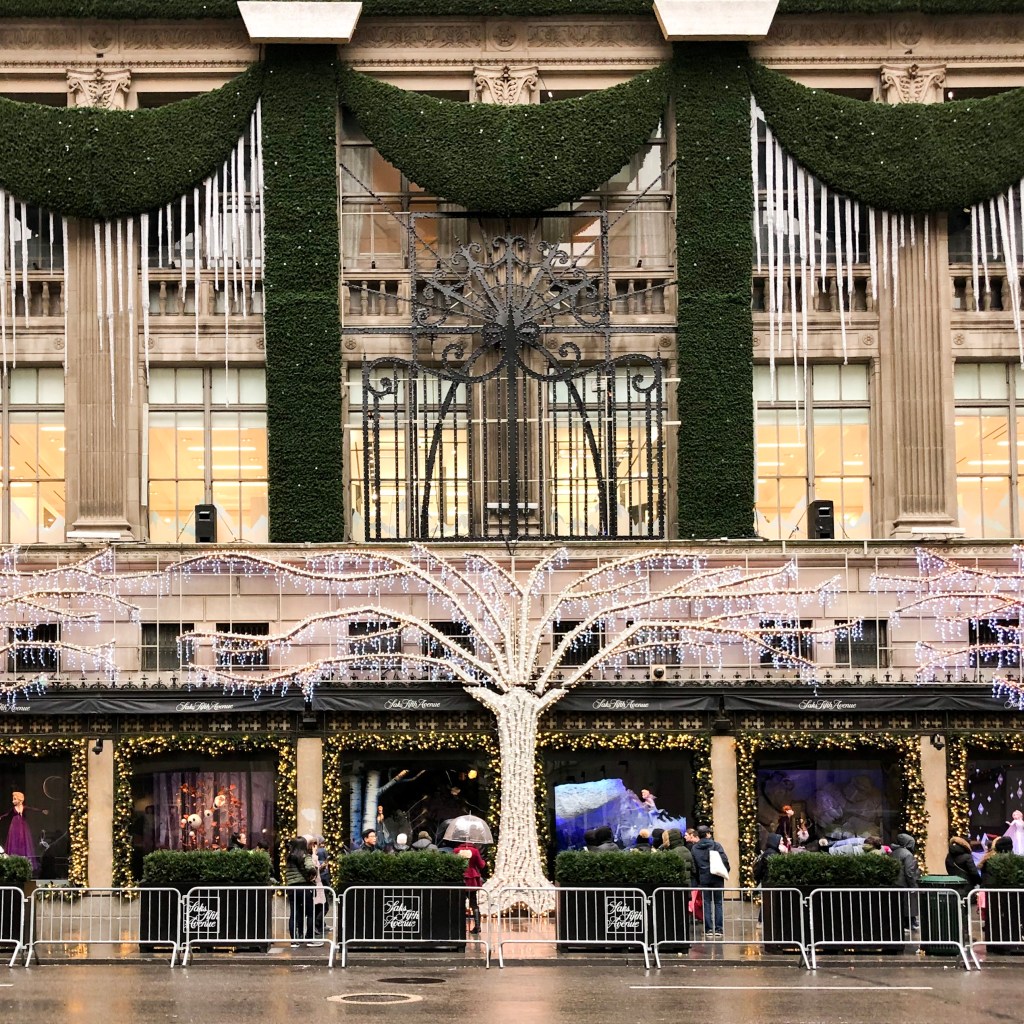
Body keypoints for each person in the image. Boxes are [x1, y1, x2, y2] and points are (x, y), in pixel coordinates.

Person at [691, 824, 730, 937]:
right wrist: (725, 872)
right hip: (717, 877)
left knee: (706, 903)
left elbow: (694, 866)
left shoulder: (694, 848)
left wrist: (699, 877)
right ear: (708, 834)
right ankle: (719, 929)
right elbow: (725, 861)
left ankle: (708, 929)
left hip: (704, 878)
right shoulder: (716, 845)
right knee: (718, 903)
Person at [0, 791, 48, 874]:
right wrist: (1, 817)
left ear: (19, 800)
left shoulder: (24, 807)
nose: (13, 801)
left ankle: (25, 861)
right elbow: (7, 814)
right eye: (13, 799)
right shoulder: (13, 809)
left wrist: (41, 811)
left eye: (14, 799)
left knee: (23, 840)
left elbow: (32, 809)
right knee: (15, 841)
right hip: (14, 826)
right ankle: (13, 862)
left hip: (22, 826)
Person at [284, 836, 319, 946]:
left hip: (292, 888)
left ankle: (294, 940)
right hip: (304, 887)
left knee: (294, 913)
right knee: (310, 913)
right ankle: (309, 938)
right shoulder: (305, 856)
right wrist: (314, 873)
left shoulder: (289, 857)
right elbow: (310, 868)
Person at [889, 832, 921, 931]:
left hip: (896, 883)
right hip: (905, 884)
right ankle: (909, 924)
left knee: (900, 904)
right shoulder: (908, 854)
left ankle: (905, 923)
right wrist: (913, 886)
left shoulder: (893, 852)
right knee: (909, 904)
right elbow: (909, 872)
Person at [453, 840, 486, 935]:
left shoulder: (456, 851)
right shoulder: (475, 851)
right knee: (473, 903)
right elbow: (481, 865)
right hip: (472, 880)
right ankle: (477, 926)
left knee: (460, 904)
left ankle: (460, 926)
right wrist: (483, 861)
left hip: (461, 879)